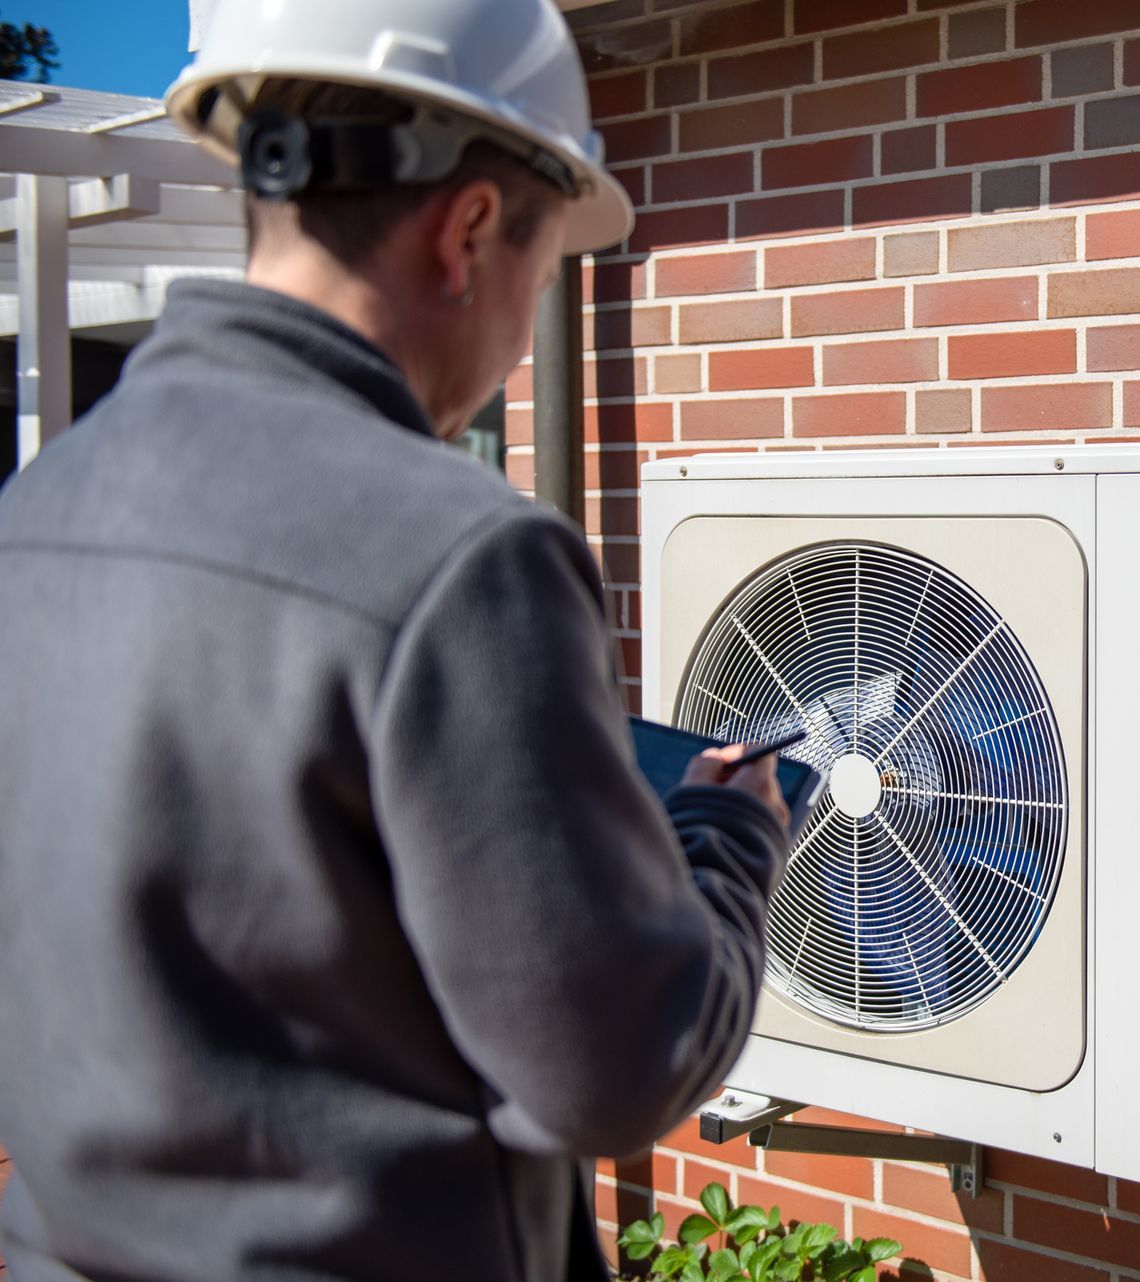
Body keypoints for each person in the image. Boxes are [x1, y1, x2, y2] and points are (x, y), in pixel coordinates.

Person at [0, 2, 788, 1278]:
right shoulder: (465, 557)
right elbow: (612, 1066)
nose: (517, 336)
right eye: (543, 272)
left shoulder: (36, 512)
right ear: (471, 229)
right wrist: (729, 838)